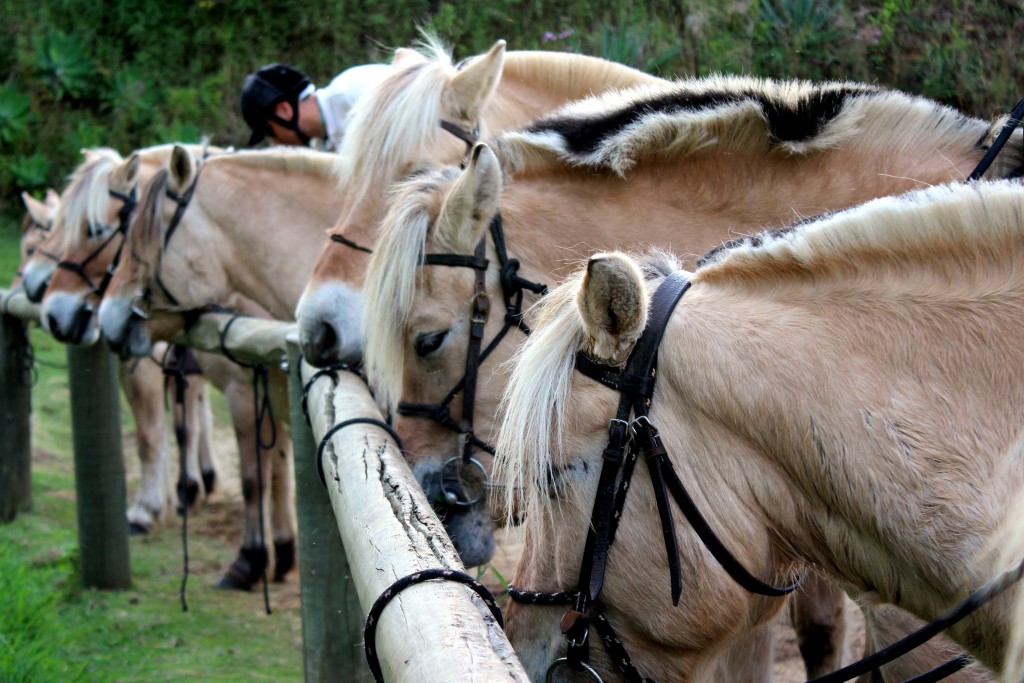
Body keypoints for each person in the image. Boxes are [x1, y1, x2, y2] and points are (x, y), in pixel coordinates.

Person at [240, 62, 390, 151]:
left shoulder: (353, 92)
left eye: (269, 132)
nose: (275, 143)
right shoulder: (323, 146)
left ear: (285, 110)